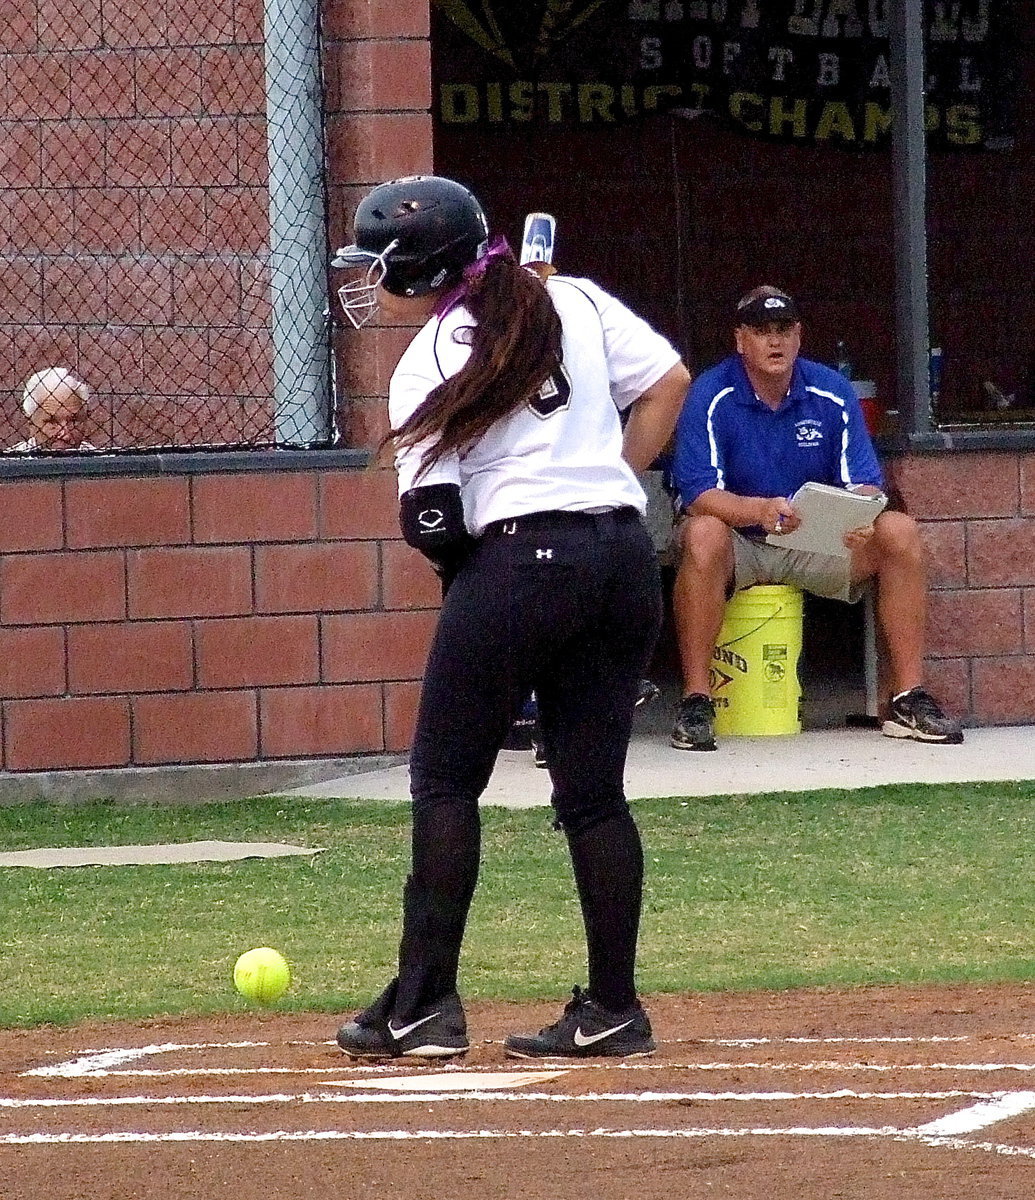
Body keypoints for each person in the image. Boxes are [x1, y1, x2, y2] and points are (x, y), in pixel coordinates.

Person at [331, 175, 691, 1060]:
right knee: (594, 795)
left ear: (420, 265)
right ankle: (613, 1008)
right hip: (620, 554)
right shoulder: (571, 296)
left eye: (379, 260)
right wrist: (607, 472)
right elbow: (670, 382)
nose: (369, 277)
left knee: (446, 784)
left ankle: (421, 1006)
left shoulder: (431, 353)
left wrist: (491, 596)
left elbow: (432, 521)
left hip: (519, 558)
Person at [669, 285, 963, 752]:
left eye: (784, 330)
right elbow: (698, 494)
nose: (774, 342)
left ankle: (906, 699)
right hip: (741, 540)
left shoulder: (831, 389)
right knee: (702, 533)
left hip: (815, 540)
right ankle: (697, 700)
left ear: (799, 336)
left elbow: (864, 482)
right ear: (740, 339)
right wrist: (758, 511)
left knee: (898, 530)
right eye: (762, 331)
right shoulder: (711, 392)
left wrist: (862, 513)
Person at [14, 368, 94, 452]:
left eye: (73, 421)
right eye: (52, 422)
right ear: (31, 424)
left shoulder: (98, 460)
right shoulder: (10, 461)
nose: (66, 436)